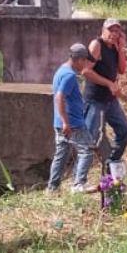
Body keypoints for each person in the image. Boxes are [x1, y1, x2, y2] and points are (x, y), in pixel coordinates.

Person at [84, 19, 127, 175]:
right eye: (110, 30)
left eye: (117, 31)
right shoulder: (96, 45)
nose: (114, 34)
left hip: (110, 100)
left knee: (125, 129)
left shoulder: (114, 48)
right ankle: (79, 179)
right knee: (90, 139)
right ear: (103, 30)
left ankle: (111, 164)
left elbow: (122, 69)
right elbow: (85, 71)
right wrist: (108, 83)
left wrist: (121, 49)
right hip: (95, 100)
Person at [48, 43, 98, 193]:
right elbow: (59, 98)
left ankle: (53, 187)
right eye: (85, 61)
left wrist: (61, 120)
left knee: (61, 154)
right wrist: (66, 122)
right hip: (72, 122)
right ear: (79, 59)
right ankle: (78, 184)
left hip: (60, 121)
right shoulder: (69, 76)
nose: (85, 64)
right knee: (87, 151)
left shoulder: (60, 71)